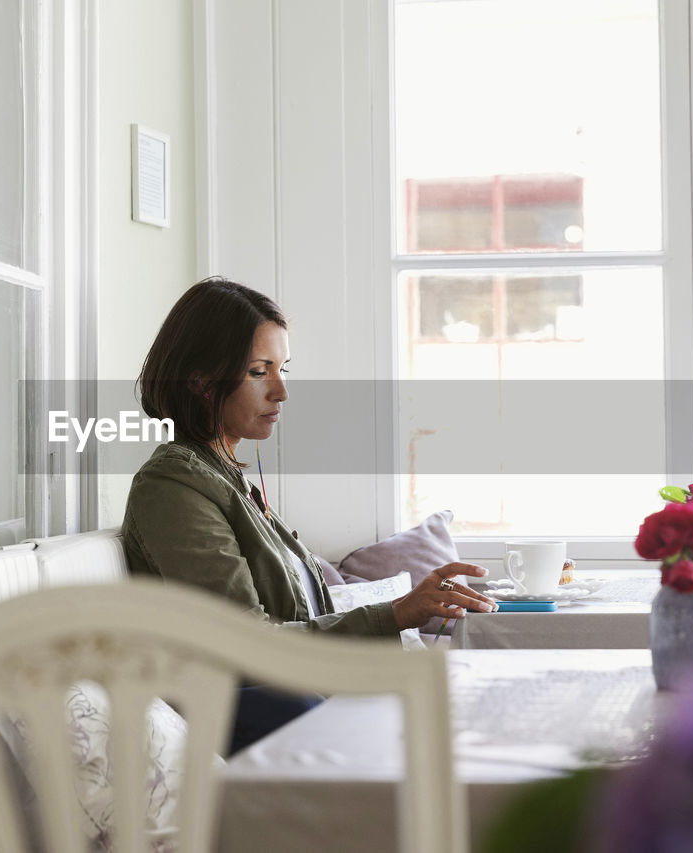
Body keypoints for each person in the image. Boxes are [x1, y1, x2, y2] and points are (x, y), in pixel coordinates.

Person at [121, 277, 496, 751]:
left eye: (283, 369)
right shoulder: (174, 486)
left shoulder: (224, 477)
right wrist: (396, 614)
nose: (281, 391)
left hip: (298, 693)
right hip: (253, 715)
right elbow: (243, 642)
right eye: (260, 371)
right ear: (200, 381)